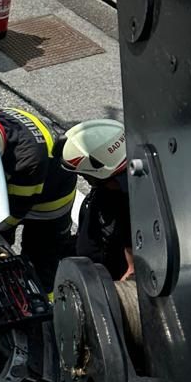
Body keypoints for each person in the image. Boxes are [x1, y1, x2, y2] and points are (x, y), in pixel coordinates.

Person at [0, 105, 77, 293]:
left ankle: (48, 311)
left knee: (41, 265)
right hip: (22, 188)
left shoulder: (27, 160)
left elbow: (11, 214)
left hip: (49, 205)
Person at [62, 117, 132, 281]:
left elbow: (132, 271)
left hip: (104, 279)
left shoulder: (133, 207)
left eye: (85, 175)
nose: (85, 179)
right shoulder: (108, 190)